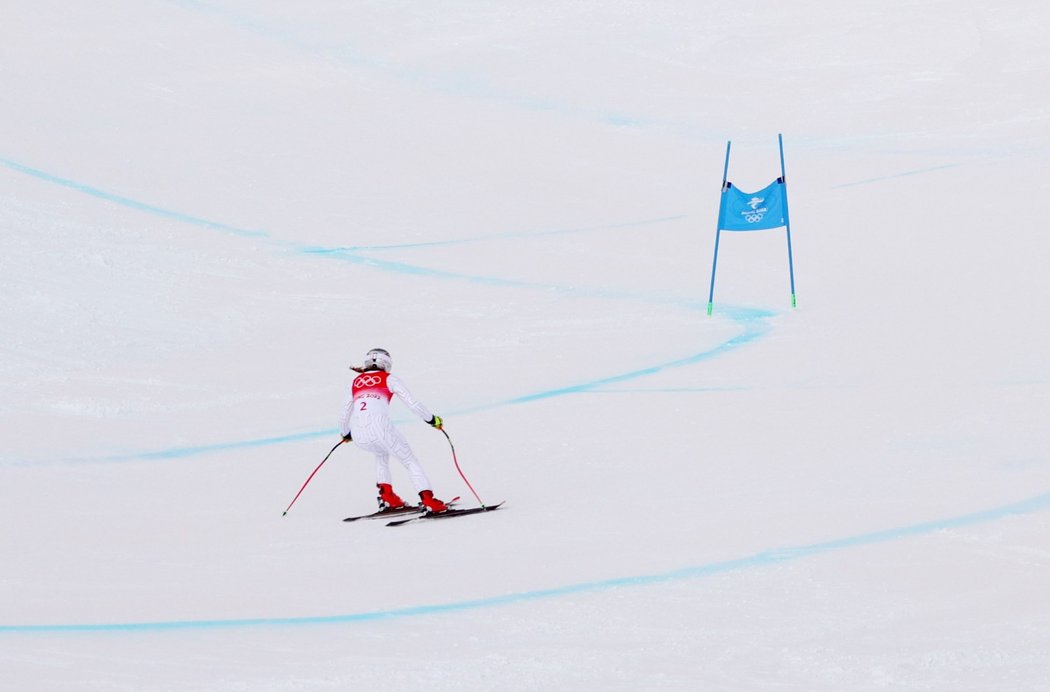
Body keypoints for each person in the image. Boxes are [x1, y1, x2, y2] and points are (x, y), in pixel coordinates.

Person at [339, 348, 449, 513]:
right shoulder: (389, 379)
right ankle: (429, 501)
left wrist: (346, 433)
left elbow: (344, 413)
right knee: (410, 462)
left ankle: (388, 497)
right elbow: (413, 404)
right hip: (381, 428)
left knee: (381, 454)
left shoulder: (355, 382)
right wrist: (432, 419)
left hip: (359, 433)